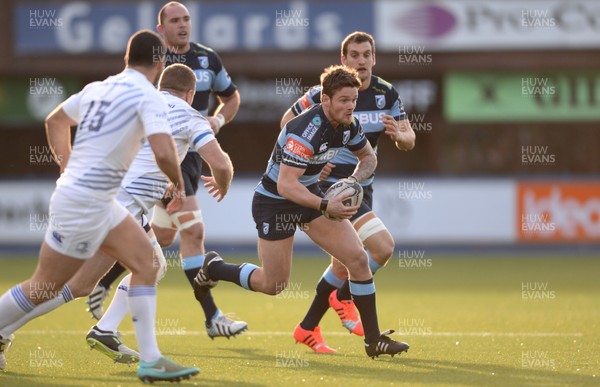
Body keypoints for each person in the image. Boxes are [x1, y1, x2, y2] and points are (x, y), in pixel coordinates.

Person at [0, 30, 199, 382]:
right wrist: (179, 184)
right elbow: (165, 151)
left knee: (147, 261)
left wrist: (66, 165)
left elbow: (55, 120)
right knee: (45, 285)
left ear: (126, 57)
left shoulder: (99, 88)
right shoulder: (147, 96)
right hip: (87, 202)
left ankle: (150, 359)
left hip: (95, 198)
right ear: (159, 62)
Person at [193, 65, 410, 358]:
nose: (350, 107)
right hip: (275, 203)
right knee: (274, 284)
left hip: (310, 195)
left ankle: (373, 341)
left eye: (353, 100)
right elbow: (285, 186)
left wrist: (351, 181)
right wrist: (324, 204)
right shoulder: (305, 130)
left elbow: (368, 159)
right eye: (344, 100)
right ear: (325, 101)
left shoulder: (349, 126)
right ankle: (214, 268)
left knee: (358, 259)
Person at [87, 1, 246, 339]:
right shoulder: (152, 61)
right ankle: (212, 316)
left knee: (161, 241)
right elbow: (219, 164)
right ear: (161, 28)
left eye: (186, 18)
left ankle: (104, 290)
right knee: (193, 233)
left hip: (188, 152)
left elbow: (231, 98)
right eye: (174, 20)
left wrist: (217, 118)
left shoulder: (207, 59)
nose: (182, 25)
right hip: (161, 158)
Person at [280, 31, 416, 353]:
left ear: (373, 58)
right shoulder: (324, 92)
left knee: (344, 264)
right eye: (354, 55)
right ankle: (345, 298)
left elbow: (409, 139)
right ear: (344, 60)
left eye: (366, 54)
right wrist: (310, 161)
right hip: (328, 186)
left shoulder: (386, 94)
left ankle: (307, 327)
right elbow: (288, 122)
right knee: (381, 247)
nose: (361, 60)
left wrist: (401, 135)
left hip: (360, 186)